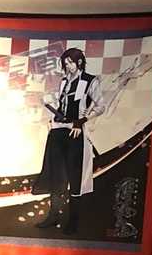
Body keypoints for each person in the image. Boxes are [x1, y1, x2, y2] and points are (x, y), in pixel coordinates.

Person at [36, 47, 103, 234]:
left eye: (70, 63)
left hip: (76, 134)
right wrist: (53, 120)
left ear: (79, 62)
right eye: (65, 64)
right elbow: (61, 105)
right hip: (58, 132)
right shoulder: (64, 81)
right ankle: (53, 216)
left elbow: (101, 106)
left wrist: (81, 121)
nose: (68, 67)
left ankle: (73, 221)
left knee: (75, 177)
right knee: (56, 176)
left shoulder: (90, 81)